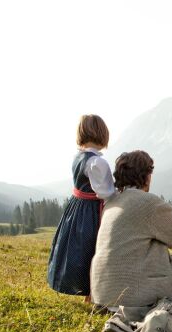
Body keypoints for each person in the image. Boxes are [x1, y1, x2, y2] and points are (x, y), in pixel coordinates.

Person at [90, 151, 172, 310]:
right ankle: (169, 303)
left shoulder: (110, 204)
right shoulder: (150, 203)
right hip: (132, 300)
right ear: (146, 176)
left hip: (102, 297)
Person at [47, 114, 115, 300]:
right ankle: (93, 293)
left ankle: (88, 293)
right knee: (94, 249)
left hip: (77, 208)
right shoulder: (97, 162)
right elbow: (106, 193)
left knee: (79, 249)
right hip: (91, 212)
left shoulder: (79, 157)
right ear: (102, 134)